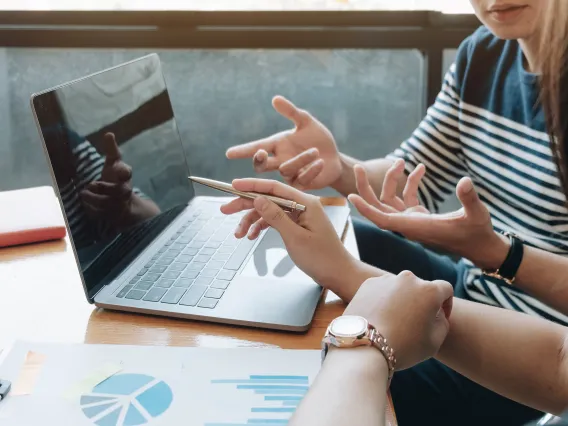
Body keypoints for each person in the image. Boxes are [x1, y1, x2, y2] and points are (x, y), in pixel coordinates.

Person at [224, 0, 568, 424]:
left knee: (322, 362)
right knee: (333, 240)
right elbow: (414, 169)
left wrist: (497, 253)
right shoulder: (483, 53)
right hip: (474, 283)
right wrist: (339, 167)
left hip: (535, 341)